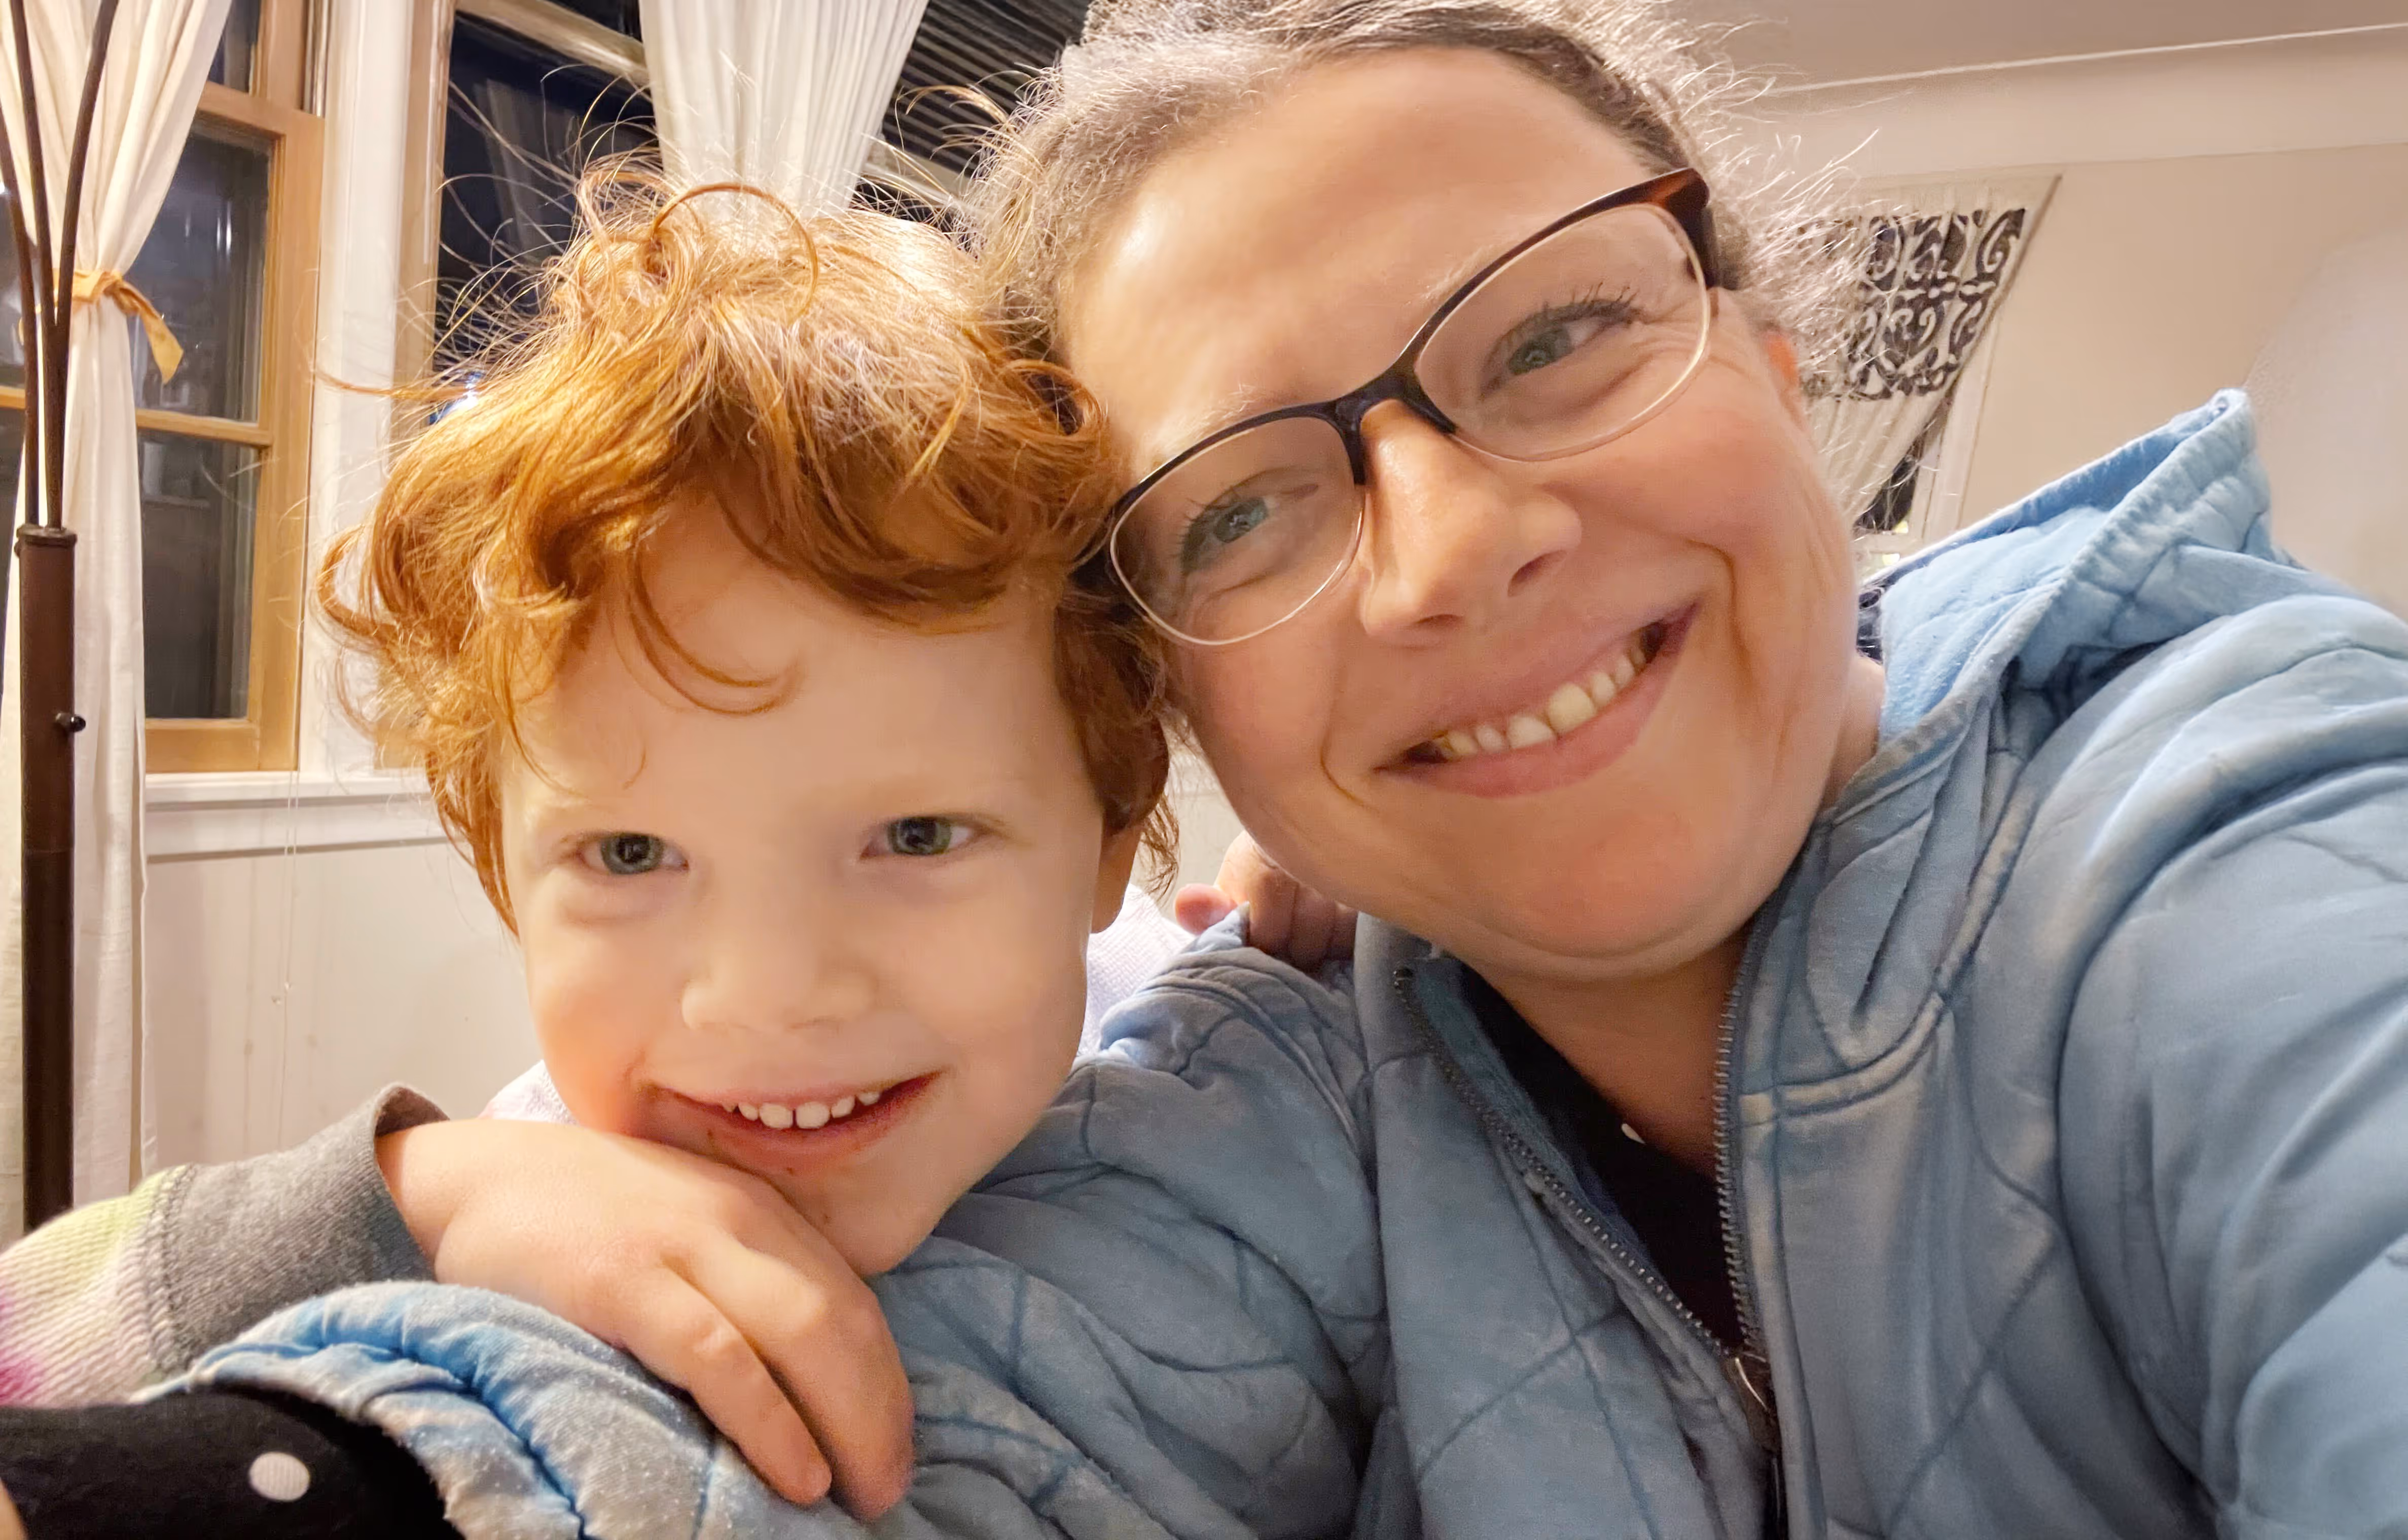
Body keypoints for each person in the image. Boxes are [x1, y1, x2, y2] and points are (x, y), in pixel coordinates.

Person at [11, 1, 2408, 1533]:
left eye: (1554, 337)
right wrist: (385, 1245)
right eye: (1246, 501)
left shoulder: (2238, 833)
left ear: (1774, 372)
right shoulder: (1266, 1081)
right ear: (1181, 700)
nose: (1450, 546)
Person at [0, 172, 1187, 1532]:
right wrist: (422, 1197)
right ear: (504, 873)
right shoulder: (533, 1192)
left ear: (1111, 828)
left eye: (915, 836)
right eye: (630, 853)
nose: (762, 997)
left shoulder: (1199, 1049)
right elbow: (26, 1333)